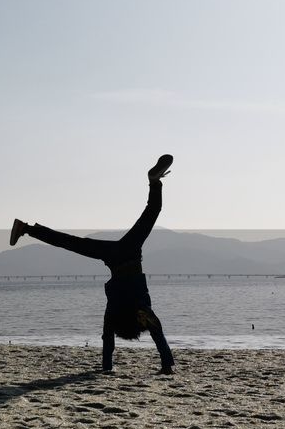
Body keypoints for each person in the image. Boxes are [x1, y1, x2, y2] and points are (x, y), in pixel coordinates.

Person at [10, 155, 176, 375]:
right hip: (116, 258)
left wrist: (167, 365)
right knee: (71, 243)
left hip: (129, 253)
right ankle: (26, 228)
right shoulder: (115, 312)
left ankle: (154, 182)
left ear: (137, 321)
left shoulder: (140, 310)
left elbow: (156, 331)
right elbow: (108, 336)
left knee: (151, 213)